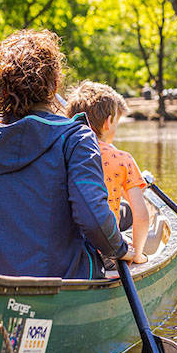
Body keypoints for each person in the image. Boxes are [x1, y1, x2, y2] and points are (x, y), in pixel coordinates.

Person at [0, 30, 134, 279]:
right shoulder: (77, 138)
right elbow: (92, 218)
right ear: (53, 84)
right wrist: (120, 250)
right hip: (62, 275)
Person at [66, 81, 150, 264]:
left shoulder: (62, 151)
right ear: (107, 123)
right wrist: (137, 254)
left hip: (67, 248)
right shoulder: (122, 159)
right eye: (116, 123)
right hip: (106, 249)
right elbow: (142, 215)